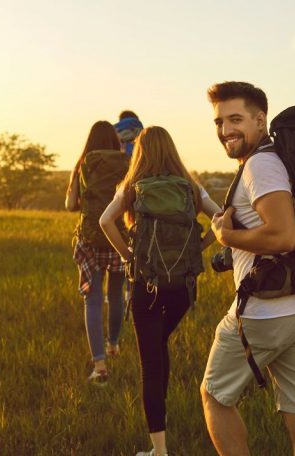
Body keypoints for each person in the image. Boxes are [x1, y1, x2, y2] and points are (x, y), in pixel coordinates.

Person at [201, 81, 295, 456]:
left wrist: (227, 239)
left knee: (214, 397)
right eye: (219, 122)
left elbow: (284, 236)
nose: (226, 130)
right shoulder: (278, 161)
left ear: (261, 120)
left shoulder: (262, 165)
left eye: (236, 119)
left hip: (267, 312)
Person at [99, 126, 221, 456]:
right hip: (182, 287)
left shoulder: (131, 187)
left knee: (150, 365)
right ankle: (161, 437)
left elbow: (105, 221)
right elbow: (222, 218)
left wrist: (128, 256)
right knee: (159, 345)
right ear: (171, 149)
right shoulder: (191, 187)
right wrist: (201, 245)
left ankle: (159, 451)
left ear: (141, 152)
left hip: (146, 285)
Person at [65, 121, 129, 386]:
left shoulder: (83, 164)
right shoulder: (127, 163)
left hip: (90, 239)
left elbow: (70, 205)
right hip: (118, 237)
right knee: (116, 295)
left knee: (92, 301)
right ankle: (113, 344)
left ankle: (100, 366)